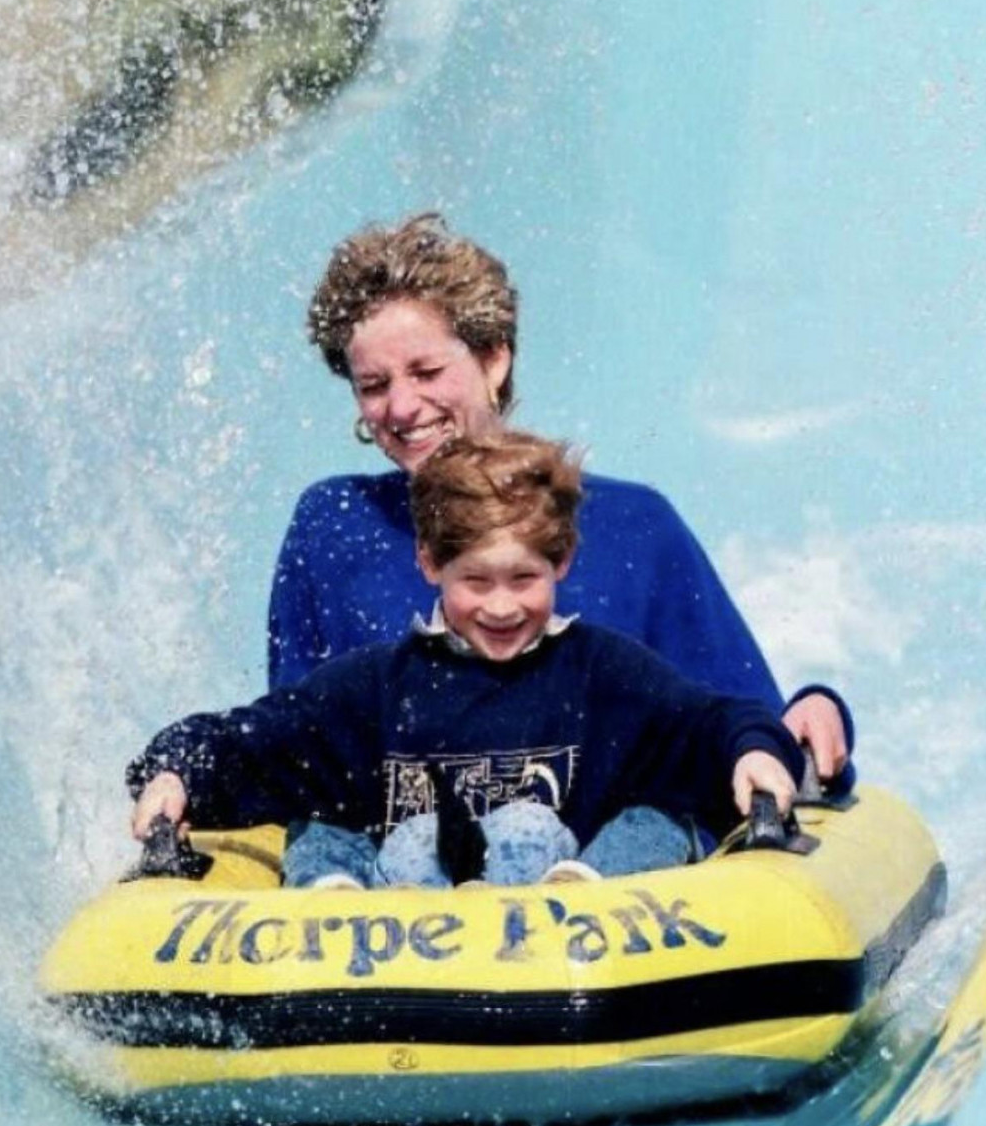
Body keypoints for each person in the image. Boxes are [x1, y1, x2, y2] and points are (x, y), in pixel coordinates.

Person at [267, 213, 852, 787]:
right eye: (374, 386)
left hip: (608, 874)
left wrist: (813, 711)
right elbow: (291, 744)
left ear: (494, 357)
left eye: (426, 371)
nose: (400, 407)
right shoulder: (334, 526)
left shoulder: (634, 527)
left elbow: (744, 725)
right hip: (395, 871)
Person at [131, 433, 848, 889]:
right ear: (430, 564)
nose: (501, 606)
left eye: (523, 580)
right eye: (476, 582)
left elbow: (706, 720)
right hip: (404, 921)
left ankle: (581, 889)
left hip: (576, 929)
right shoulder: (379, 687)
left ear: (562, 563)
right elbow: (258, 738)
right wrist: (173, 769)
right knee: (321, 830)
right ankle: (331, 907)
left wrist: (754, 750)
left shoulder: (601, 673)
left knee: (656, 821)